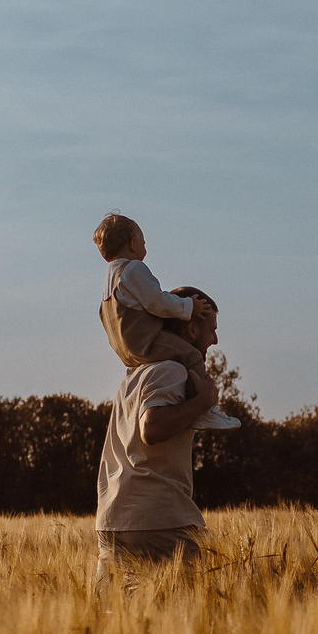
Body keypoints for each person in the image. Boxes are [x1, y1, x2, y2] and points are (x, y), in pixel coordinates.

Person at [94, 288, 225, 576]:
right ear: (191, 329)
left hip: (113, 520)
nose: (215, 340)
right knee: (197, 608)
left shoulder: (134, 375)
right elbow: (151, 429)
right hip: (158, 517)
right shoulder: (171, 369)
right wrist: (204, 401)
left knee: (112, 618)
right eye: (211, 330)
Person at [92, 212, 239, 430]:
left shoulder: (108, 282)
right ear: (133, 244)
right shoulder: (133, 269)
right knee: (192, 356)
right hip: (145, 340)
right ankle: (205, 410)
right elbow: (157, 301)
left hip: (126, 351)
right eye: (143, 241)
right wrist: (189, 307)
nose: (145, 246)